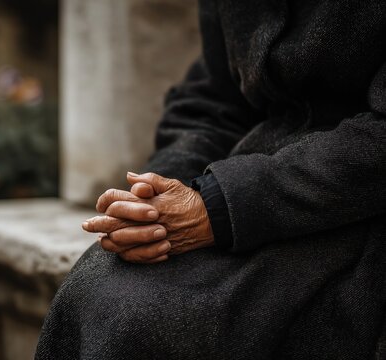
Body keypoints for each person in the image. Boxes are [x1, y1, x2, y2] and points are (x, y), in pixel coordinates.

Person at [36, 0, 386, 358]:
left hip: (352, 199)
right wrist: (155, 198)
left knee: (142, 313)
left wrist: (220, 206)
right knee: (96, 285)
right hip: (257, 187)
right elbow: (212, 101)